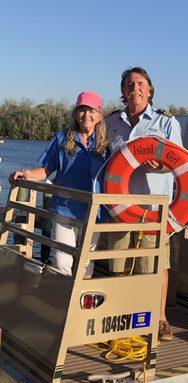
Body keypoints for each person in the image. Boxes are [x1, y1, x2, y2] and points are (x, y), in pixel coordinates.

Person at [106, 67, 182, 341]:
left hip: (154, 210)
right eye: (129, 84)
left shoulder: (166, 124)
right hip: (120, 207)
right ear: (123, 91)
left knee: (156, 266)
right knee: (117, 263)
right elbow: (101, 159)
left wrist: (160, 165)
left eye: (140, 84)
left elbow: (180, 167)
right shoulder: (111, 123)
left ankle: (159, 318)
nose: (134, 88)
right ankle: (120, 316)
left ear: (149, 90)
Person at [9, 91, 109, 278]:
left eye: (91, 110)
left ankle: (80, 305)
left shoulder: (108, 142)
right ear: (75, 113)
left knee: (86, 263)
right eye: (81, 110)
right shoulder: (62, 138)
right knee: (61, 261)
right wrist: (27, 174)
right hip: (64, 210)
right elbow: (46, 169)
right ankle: (62, 302)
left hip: (95, 212)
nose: (86, 115)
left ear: (99, 114)